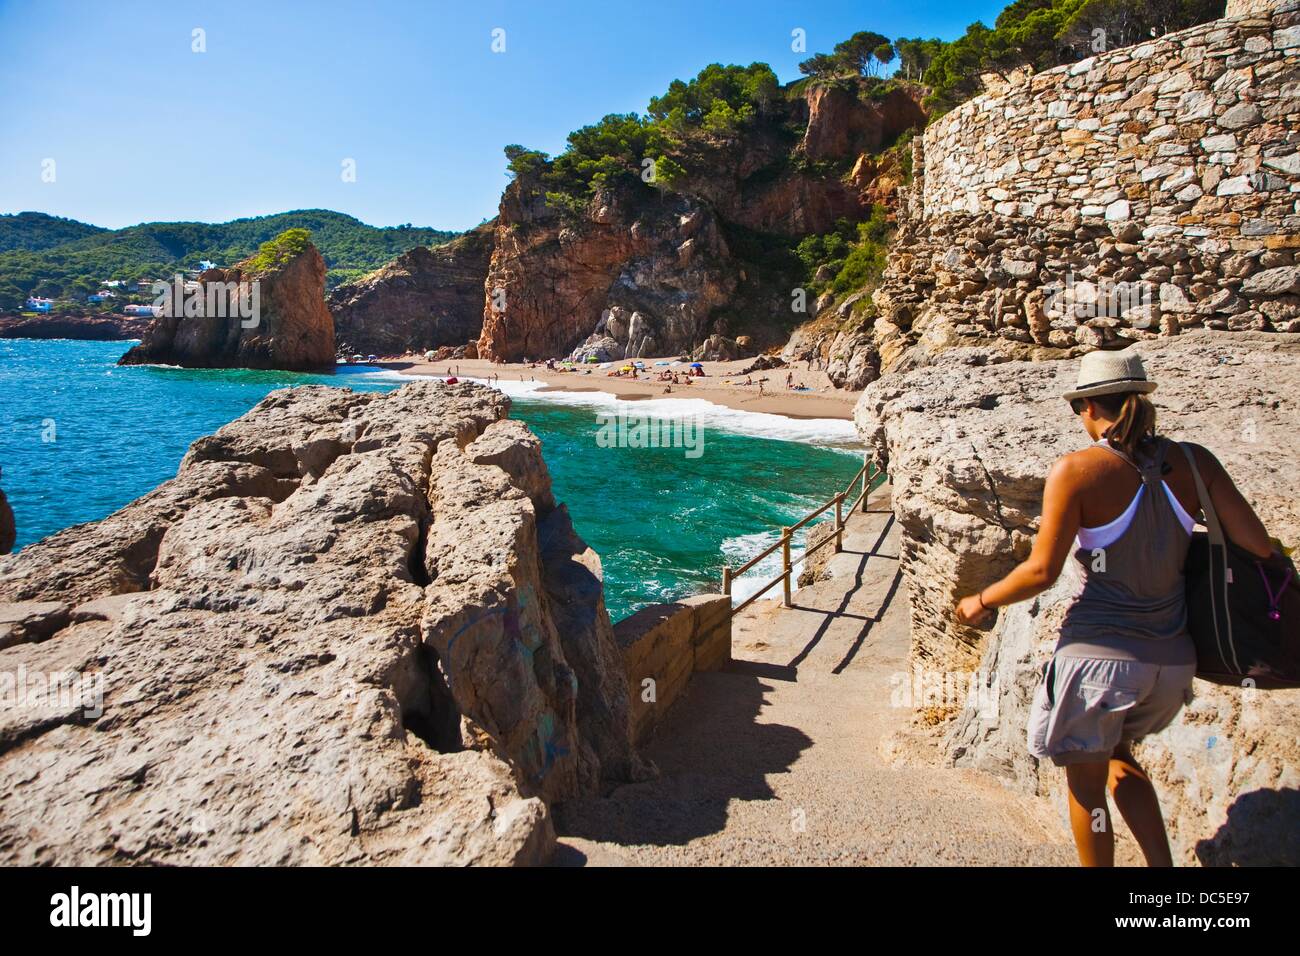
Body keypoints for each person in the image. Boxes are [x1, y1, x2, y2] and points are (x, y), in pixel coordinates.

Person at [954, 350, 1272, 867]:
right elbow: (1258, 547)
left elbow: (1041, 572)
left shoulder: (1077, 471)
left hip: (1099, 658)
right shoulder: (1195, 461)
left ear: (1086, 408)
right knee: (1121, 757)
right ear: (1139, 401)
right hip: (1172, 661)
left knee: (1086, 786)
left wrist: (980, 599)